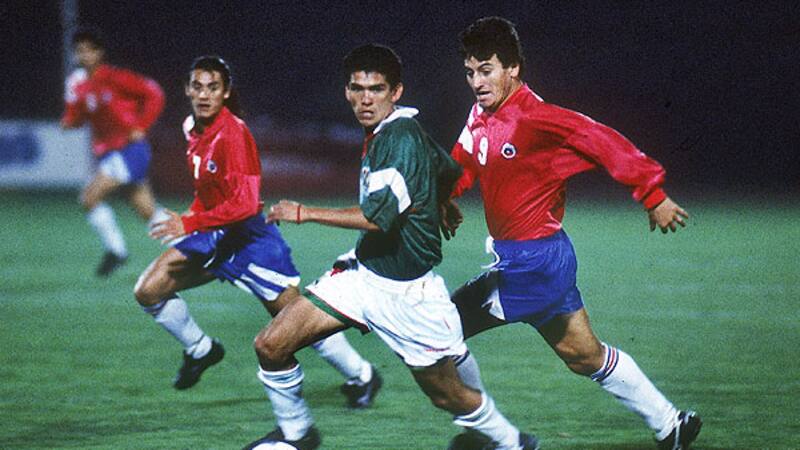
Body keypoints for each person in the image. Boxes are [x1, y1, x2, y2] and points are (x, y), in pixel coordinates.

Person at [243, 44, 538, 450]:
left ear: (395, 91)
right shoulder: (393, 129)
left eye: (377, 89)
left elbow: (378, 218)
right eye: (358, 89)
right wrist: (441, 201)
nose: (366, 99)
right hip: (364, 274)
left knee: (447, 395)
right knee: (271, 344)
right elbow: (448, 168)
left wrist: (304, 212)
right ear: (347, 91)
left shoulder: (399, 139)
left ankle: (512, 442)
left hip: (406, 295)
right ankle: (297, 435)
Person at [442, 17, 702, 450]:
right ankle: (671, 424)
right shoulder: (481, 115)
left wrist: (652, 193)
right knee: (584, 355)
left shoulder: (536, 119)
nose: (477, 82)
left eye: (486, 70)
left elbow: (600, 138)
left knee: (439, 329)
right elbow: (464, 160)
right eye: (470, 72)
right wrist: (445, 196)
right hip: (540, 260)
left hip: (533, 263)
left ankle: (492, 438)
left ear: (513, 68)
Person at [134, 56, 381, 408]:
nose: (204, 94)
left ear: (225, 92)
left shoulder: (233, 134)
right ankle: (201, 349)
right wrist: (195, 214)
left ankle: (363, 375)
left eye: (213, 87)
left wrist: (189, 223)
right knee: (149, 290)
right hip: (214, 236)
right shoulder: (192, 127)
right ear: (187, 90)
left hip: (251, 244)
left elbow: (247, 205)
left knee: (297, 323)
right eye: (197, 86)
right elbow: (210, 190)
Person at [61, 27, 169, 277]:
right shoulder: (78, 84)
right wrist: (69, 121)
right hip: (111, 154)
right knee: (147, 211)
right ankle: (195, 247)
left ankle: (116, 251)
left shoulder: (114, 78)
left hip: (129, 150)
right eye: (80, 51)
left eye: (90, 50)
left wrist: (141, 126)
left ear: (100, 53)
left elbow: (154, 93)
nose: (84, 55)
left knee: (90, 197)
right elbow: (77, 117)